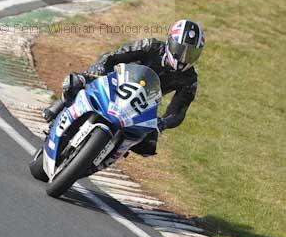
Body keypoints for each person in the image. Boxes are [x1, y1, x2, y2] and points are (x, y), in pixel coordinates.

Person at [43, 19, 205, 157]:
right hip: (117, 83)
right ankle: (60, 105)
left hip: (141, 107)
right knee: (78, 81)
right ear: (170, 42)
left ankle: (108, 153)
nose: (184, 58)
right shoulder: (151, 46)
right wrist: (100, 69)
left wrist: (162, 123)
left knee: (148, 145)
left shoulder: (189, 79)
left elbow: (179, 111)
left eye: (190, 54)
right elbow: (114, 56)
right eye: (180, 50)